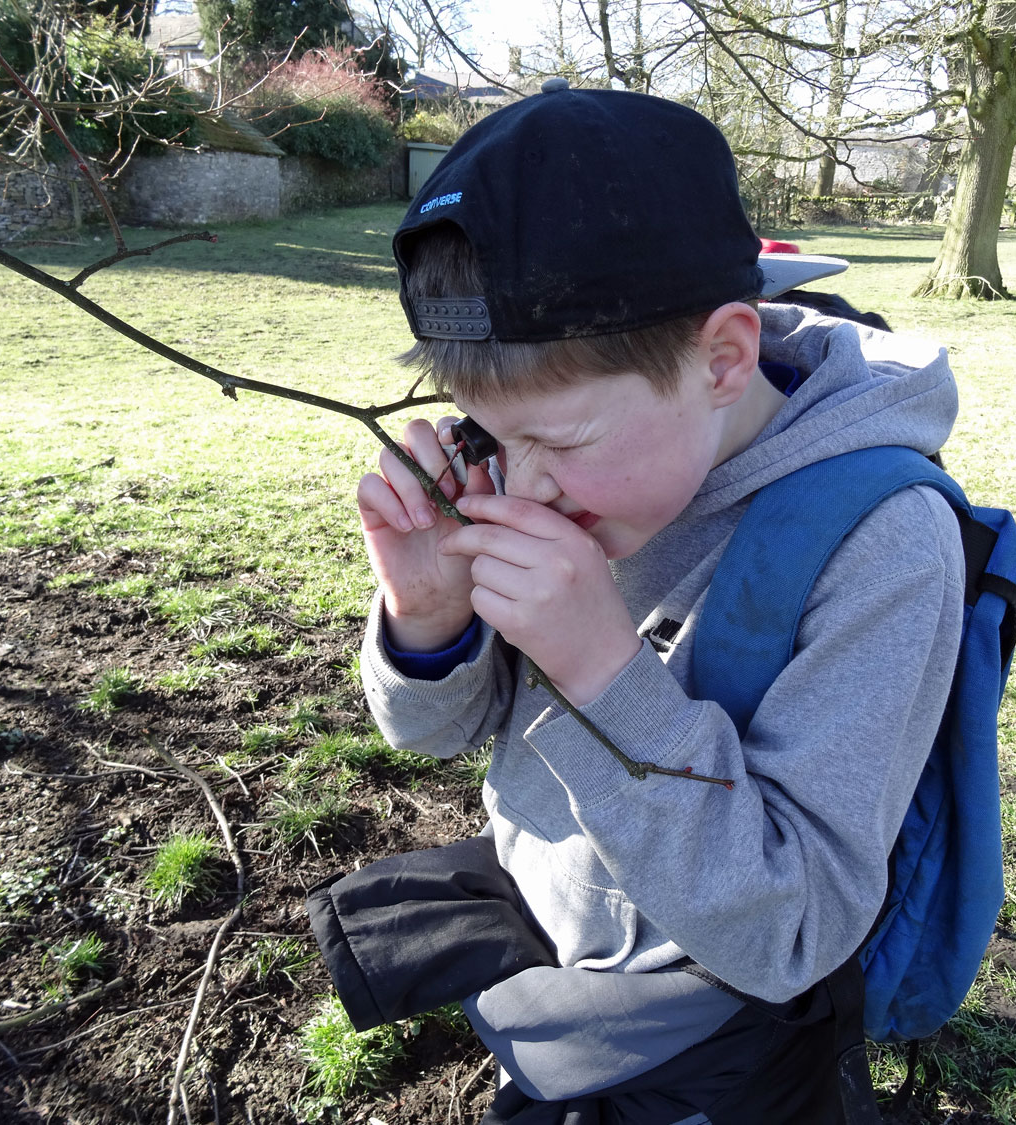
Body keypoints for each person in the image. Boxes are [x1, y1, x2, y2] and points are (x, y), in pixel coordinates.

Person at [348, 81, 965, 1124]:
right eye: (493, 435)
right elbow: (433, 734)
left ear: (724, 358)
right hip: (555, 943)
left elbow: (792, 935)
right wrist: (429, 621)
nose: (524, 486)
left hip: (710, 1031)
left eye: (562, 441)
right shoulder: (588, 476)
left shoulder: (884, 545)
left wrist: (601, 669)